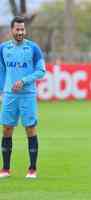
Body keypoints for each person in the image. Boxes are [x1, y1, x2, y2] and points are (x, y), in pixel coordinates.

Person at [0, 16, 46, 178]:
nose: (20, 32)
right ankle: (5, 169)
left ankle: (32, 168)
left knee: (30, 129)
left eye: (22, 29)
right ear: (11, 30)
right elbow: (2, 71)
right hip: (9, 95)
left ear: (25, 30)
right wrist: (1, 91)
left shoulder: (33, 48)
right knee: (6, 129)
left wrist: (24, 80)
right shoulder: (3, 49)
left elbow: (41, 71)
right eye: (17, 29)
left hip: (27, 95)